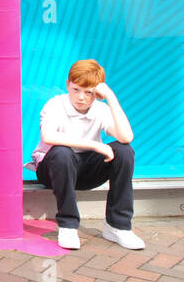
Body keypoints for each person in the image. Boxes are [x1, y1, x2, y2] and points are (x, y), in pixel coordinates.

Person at [30, 59, 143, 251]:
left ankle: (117, 226)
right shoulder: (55, 104)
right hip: (54, 169)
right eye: (76, 90)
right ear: (68, 85)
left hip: (85, 171)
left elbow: (126, 136)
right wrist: (96, 146)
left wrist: (111, 97)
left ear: (97, 93)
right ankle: (67, 225)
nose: (81, 97)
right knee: (62, 152)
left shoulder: (101, 109)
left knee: (124, 151)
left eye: (89, 92)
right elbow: (49, 136)